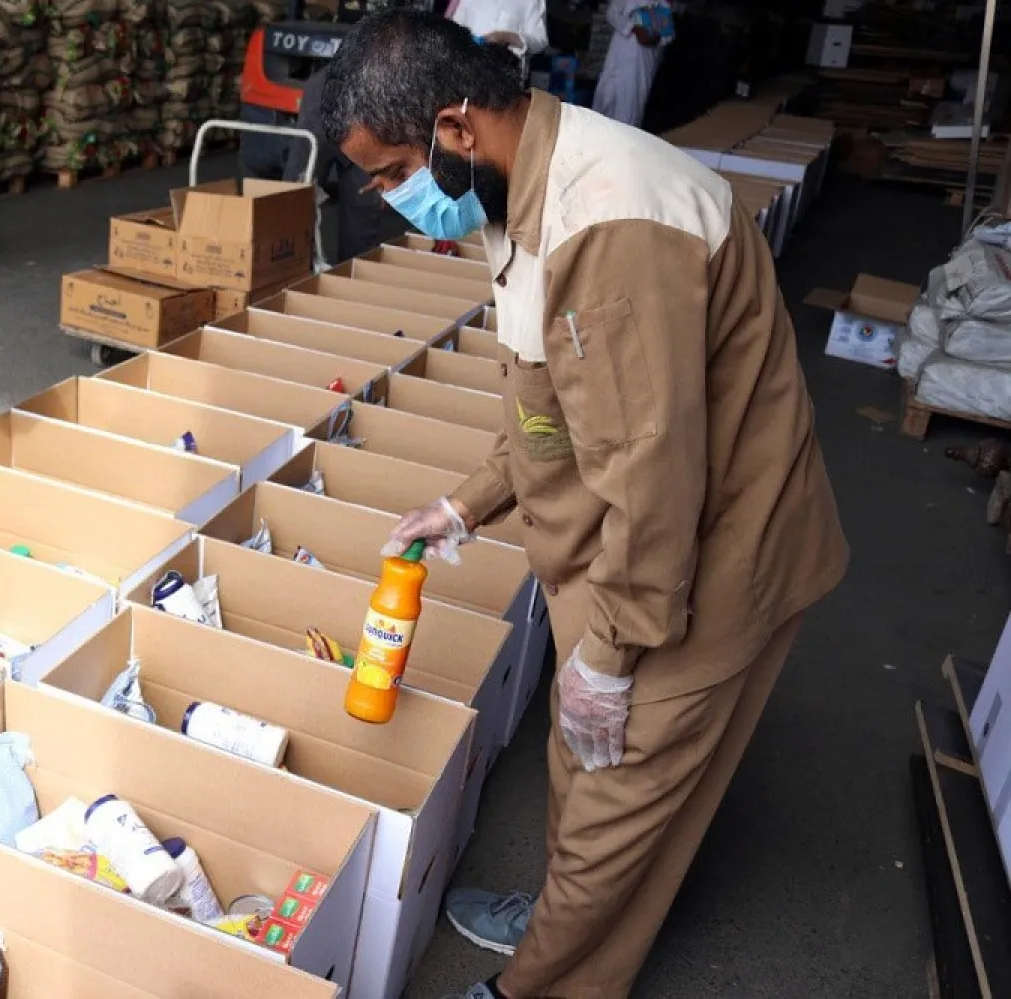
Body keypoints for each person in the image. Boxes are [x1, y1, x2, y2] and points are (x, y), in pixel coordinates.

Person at [321, 11, 846, 999]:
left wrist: (610, 654)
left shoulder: (608, 227)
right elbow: (553, 402)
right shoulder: (527, 184)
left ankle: (539, 982)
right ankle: (569, 913)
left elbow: (652, 475)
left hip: (708, 560)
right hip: (640, 536)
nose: (389, 201)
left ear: (454, 128)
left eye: (391, 174)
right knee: (593, 774)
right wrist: (470, 503)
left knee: (615, 788)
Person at [283, 70, 381, 265]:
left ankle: (354, 281)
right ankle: (286, 273)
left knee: (363, 204)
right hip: (326, 103)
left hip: (372, 118)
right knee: (294, 200)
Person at [593, 0, 672, 128]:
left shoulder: (661, 3)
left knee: (630, 106)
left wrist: (655, 38)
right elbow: (611, 14)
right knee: (605, 98)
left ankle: (624, 144)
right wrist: (633, 28)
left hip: (642, 62)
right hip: (618, 57)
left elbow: (667, 35)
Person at [447, 0, 547, 63]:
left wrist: (508, 37)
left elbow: (541, 41)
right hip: (468, 69)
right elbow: (454, 31)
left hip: (508, 77)